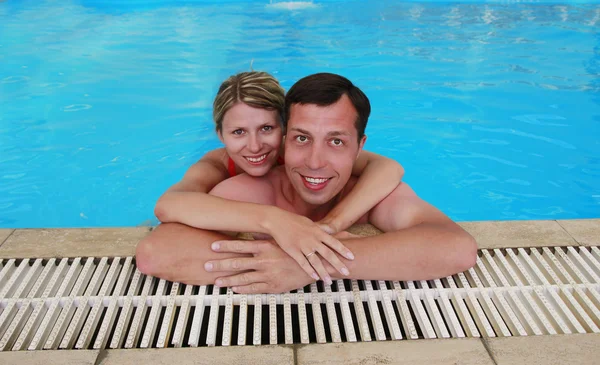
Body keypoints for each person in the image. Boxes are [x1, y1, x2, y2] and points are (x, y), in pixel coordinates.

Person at [136, 72, 477, 294]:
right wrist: (276, 223)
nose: (255, 147)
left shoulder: (365, 186)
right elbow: (159, 243)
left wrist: (313, 259)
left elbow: (456, 247)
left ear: (360, 147)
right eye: (303, 139)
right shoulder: (241, 187)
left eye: (336, 141)